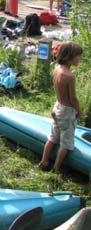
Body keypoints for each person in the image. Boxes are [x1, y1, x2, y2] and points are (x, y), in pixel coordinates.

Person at [39, 42, 82, 173]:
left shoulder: (57, 69)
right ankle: (56, 168)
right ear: (70, 57)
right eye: (78, 56)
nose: (79, 59)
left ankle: (44, 161)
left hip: (57, 106)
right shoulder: (70, 76)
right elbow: (73, 98)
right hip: (67, 111)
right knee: (66, 144)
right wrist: (79, 110)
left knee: (52, 137)